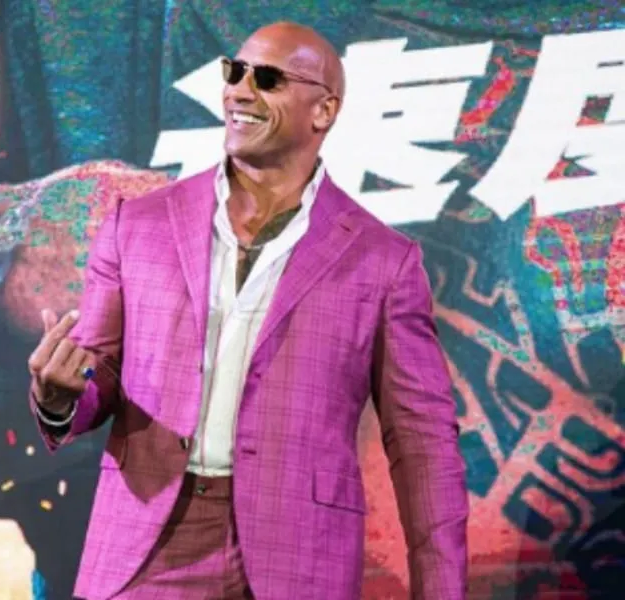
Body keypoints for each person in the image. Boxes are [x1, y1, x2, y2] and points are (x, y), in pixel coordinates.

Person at [27, 21, 468, 600]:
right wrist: (59, 397)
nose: (239, 90)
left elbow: (423, 443)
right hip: (144, 544)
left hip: (297, 557)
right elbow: (98, 376)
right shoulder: (135, 226)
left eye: (268, 79)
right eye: (234, 72)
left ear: (323, 111)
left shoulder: (383, 261)